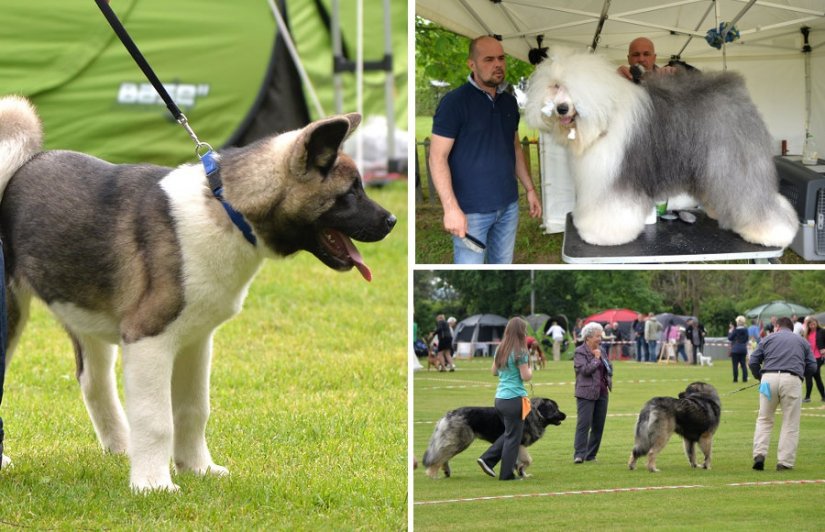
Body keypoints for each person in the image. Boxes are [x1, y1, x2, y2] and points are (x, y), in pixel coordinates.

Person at [429, 35, 542, 264]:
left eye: (501, 58)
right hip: (471, 212)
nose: (497, 64)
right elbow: (436, 158)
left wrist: (529, 189)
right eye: (489, 59)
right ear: (472, 64)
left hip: (508, 207)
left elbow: (515, 148)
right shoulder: (454, 103)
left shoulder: (509, 102)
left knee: (502, 268)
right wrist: (450, 209)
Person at [749, 317, 817, 471]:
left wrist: (759, 377)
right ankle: (784, 462)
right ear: (791, 327)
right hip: (792, 378)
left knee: (764, 419)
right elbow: (812, 366)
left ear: (777, 326)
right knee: (790, 422)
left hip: (768, 379)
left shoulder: (768, 339)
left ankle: (759, 454)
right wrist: (800, 376)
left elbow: (753, 361)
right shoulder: (802, 341)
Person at [477, 317, 532, 480]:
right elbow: (526, 376)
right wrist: (531, 367)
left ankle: (487, 459)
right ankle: (506, 473)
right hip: (515, 398)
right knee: (513, 438)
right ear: (521, 332)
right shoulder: (521, 351)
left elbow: (494, 372)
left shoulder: (501, 348)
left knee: (510, 434)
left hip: (500, 398)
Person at [573, 322, 612, 464]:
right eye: (597, 336)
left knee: (598, 425)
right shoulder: (580, 352)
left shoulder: (602, 350)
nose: (600, 339)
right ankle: (579, 454)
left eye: (600, 336)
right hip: (586, 393)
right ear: (588, 337)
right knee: (584, 424)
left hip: (602, 392)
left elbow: (608, 367)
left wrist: (609, 375)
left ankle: (591, 455)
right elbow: (584, 371)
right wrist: (596, 359)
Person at [802, 316, 825, 403]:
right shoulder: (807, 334)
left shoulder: (822, 331)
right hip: (809, 358)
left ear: (816, 323)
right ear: (808, 325)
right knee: (817, 377)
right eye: (811, 325)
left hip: (819, 357)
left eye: (814, 324)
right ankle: (823, 396)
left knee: (808, 375)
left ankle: (807, 397)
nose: (812, 326)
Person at [728, 316, 750, 383]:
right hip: (743, 348)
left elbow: (730, 338)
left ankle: (735, 379)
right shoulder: (746, 330)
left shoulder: (735, 330)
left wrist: (730, 332)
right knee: (743, 364)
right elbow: (746, 339)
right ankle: (745, 379)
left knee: (735, 365)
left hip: (735, 349)